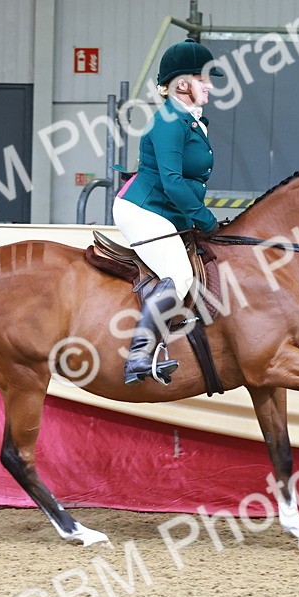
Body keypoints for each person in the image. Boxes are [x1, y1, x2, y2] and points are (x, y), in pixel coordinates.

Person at [113, 38, 223, 385]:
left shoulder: (190, 121)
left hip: (168, 213)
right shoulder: (169, 121)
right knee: (180, 275)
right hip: (142, 210)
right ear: (182, 83)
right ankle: (138, 356)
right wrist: (205, 220)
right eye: (203, 77)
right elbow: (173, 183)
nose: (209, 85)